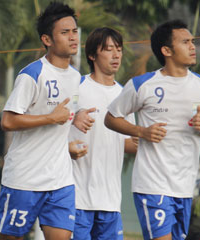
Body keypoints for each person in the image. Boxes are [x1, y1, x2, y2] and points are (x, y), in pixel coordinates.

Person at [104, 19, 200, 240]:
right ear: (166, 50)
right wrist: (142, 131)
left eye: (193, 42)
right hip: (152, 184)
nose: (192, 47)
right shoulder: (143, 84)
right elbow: (111, 118)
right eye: (185, 42)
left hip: (185, 188)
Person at [0, 2, 80, 239]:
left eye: (74, 31)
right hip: (24, 179)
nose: (73, 37)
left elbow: (65, 119)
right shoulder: (32, 74)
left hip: (61, 180)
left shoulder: (75, 77)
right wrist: (50, 118)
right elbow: (8, 121)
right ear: (47, 40)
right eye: (65, 32)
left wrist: (75, 123)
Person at [68, 27, 137, 240]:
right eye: (108, 49)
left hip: (110, 200)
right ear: (92, 55)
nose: (116, 55)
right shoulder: (76, 87)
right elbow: (53, 129)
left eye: (119, 49)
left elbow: (127, 143)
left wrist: (151, 139)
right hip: (77, 198)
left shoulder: (125, 93)